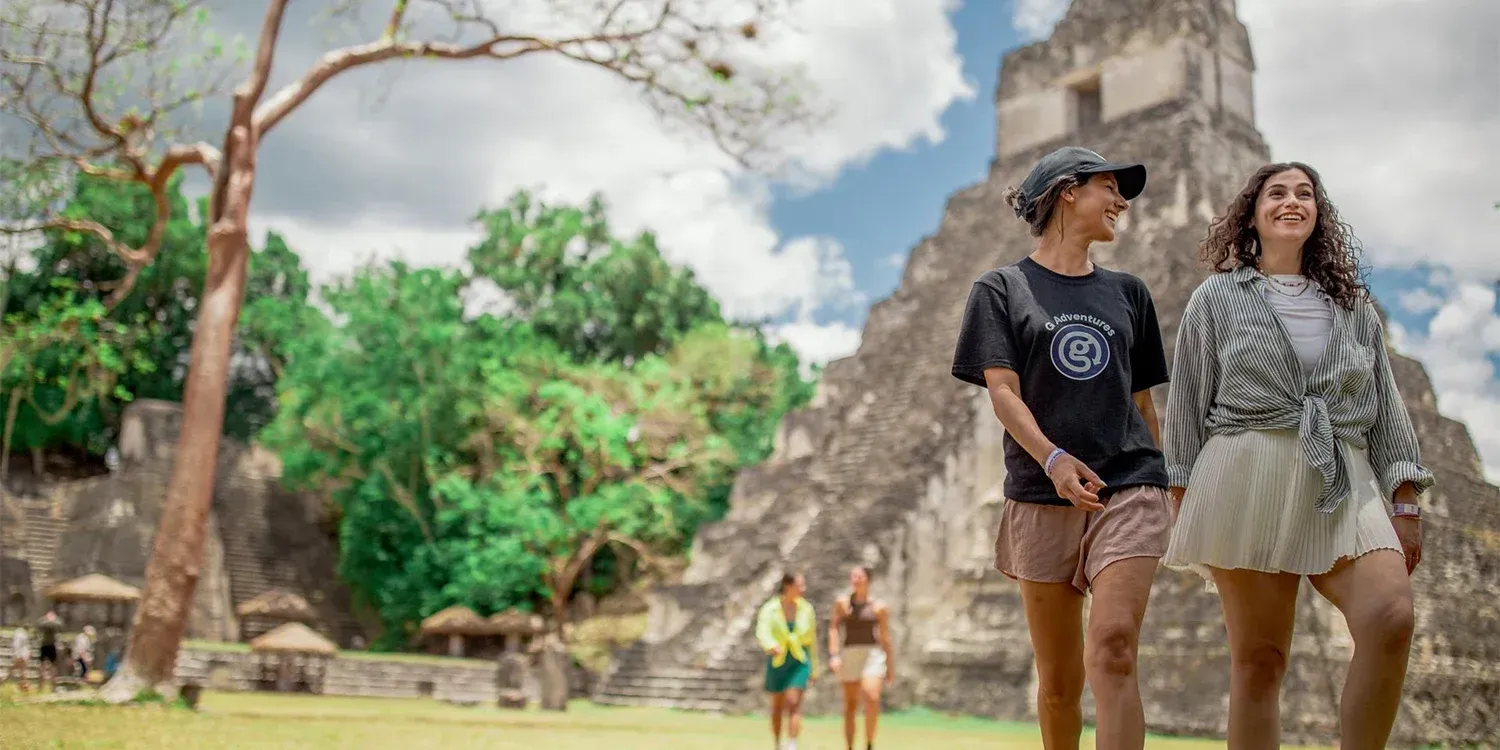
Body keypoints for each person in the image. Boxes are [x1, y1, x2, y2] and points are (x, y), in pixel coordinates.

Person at [1162, 162, 1429, 749]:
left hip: (1342, 472)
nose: (1292, 202)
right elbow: (1185, 402)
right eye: (1276, 193)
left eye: (1304, 194)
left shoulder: (1352, 304)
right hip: (1245, 473)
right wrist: (1182, 498)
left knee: (1391, 619)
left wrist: (1404, 500)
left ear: (1318, 213)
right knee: (1260, 661)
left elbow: (1385, 402)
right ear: (1252, 214)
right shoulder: (1217, 297)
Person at [951, 146, 1172, 750]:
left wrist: (1165, 482)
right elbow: (1003, 392)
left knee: (1115, 649)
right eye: (1110, 187)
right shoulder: (1001, 289)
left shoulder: (1129, 293)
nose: (1122, 202)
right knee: (1058, 683)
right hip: (1040, 492)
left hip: (1128, 484)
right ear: (1068, 191)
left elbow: (1143, 402)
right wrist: (1052, 459)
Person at [827, 566, 894, 750]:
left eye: (859, 576)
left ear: (868, 580)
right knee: (850, 704)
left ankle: (869, 743)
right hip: (850, 653)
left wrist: (890, 666)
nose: (855, 579)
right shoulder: (842, 604)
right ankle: (849, 746)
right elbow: (833, 628)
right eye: (853, 576)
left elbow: (885, 637)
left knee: (872, 697)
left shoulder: (879, 608)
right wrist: (834, 654)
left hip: (872, 654)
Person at [755, 572, 817, 750]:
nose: (803, 589)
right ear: (787, 586)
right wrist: (770, 645)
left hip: (799, 659)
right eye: (800, 585)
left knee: (794, 701)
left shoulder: (806, 609)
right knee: (777, 706)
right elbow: (762, 630)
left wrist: (814, 668)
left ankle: (792, 743)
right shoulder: (770, 608)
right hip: (778, 659)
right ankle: (777, 743)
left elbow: (812, 640)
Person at [35, 610, 61, 691]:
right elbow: (39, 625)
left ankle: (52, 686)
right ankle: (41, 686)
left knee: (52, 667)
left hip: (51, 645)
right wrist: (49, 620)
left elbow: (60, 625)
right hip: (45, 645)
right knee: (42, 666)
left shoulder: (56, 623)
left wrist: (51, 620)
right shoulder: (44, 622)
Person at [10, 625, 31, 693]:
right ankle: (24, 686)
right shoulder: (20, 634)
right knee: (22, 671)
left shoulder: (23, 633)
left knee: (20, 670)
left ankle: (24, 686)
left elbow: (24, 645)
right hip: (21, 655)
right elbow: (17, 645)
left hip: (23, 655)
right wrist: (18, 656)